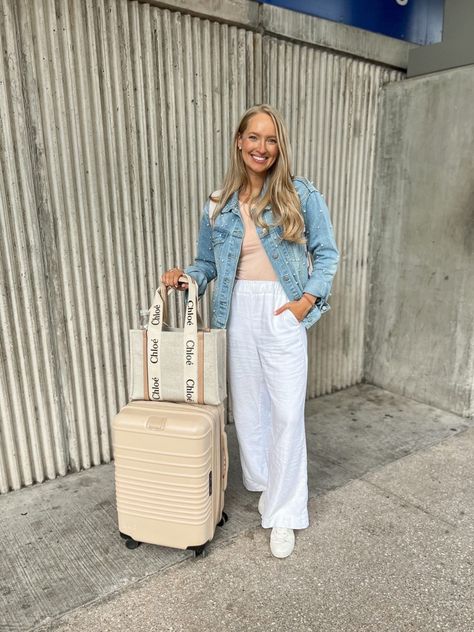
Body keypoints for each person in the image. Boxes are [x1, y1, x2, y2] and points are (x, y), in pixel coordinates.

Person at [161, 104, 339, 558]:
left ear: (280, 148)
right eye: (254, 137)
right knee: (252, 411)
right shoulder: (217, 203)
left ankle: (284, 514)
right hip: (236, 310)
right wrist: (189, 279)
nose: (262, 147)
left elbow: (327, 253)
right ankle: (266, 484)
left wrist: (303, 303)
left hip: (281, 309)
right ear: (239, 141)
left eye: (271, 139)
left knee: (286, 413)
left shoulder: (299, 194)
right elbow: (207, 263)